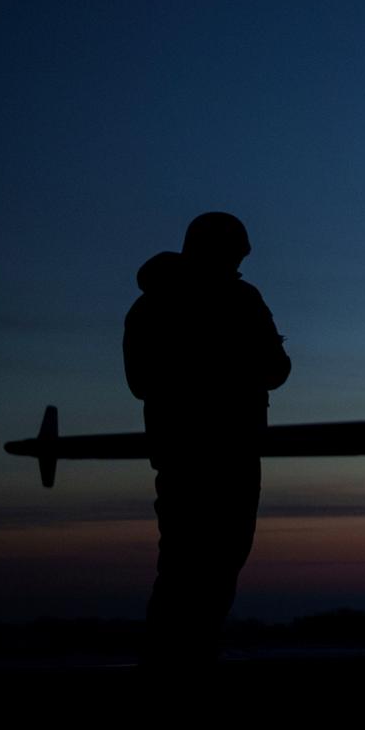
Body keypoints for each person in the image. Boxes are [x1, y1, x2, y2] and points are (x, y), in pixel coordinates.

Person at [124, 212, 291, 668]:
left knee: (184, 564)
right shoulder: (240, 300)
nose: (239, 264)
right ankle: (185, 662)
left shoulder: (148, 306)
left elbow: (140, 382)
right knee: (213, 562)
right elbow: (276, 369)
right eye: (236, 255)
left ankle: (176, 658)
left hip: (178, 455)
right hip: (229, 452)